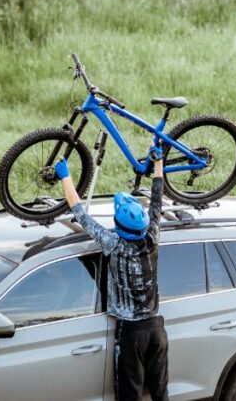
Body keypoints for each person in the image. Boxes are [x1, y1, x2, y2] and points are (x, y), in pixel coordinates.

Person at [55, 141, 168, 401]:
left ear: (118, 225)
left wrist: (66, 177)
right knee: (161, 393)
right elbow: (157, 198)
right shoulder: (153, 235)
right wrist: (158, 162)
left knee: (129, 395)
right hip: (157, 330)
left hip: (132, 333)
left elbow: (81, 215)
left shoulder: (113, 244)